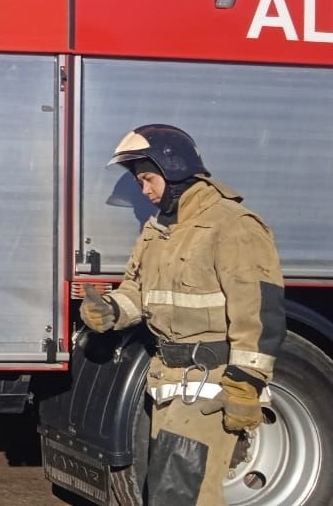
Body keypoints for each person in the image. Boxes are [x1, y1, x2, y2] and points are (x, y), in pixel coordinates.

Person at [80, 124, 285, 505]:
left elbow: (259, 313)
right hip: (168, 383)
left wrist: (245, 386)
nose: (144, 191)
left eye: (147, 178)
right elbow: (138, 292)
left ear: (173, 167)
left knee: (180, 496)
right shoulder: (158, 230)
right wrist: (110, 310)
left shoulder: (233, 225)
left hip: (211, 384)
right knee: (171, 492)